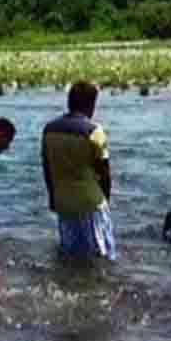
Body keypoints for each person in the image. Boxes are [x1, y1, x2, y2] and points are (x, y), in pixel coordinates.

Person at [41, 80, 116, 260]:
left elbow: (47, 168)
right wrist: (106, 200)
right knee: (101, 257)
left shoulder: (49, 130)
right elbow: (104, 173)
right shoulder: (94, 131)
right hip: (90, 204)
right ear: (91, 104)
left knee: (70, 255)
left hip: (63, 203)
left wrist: (52, 196)